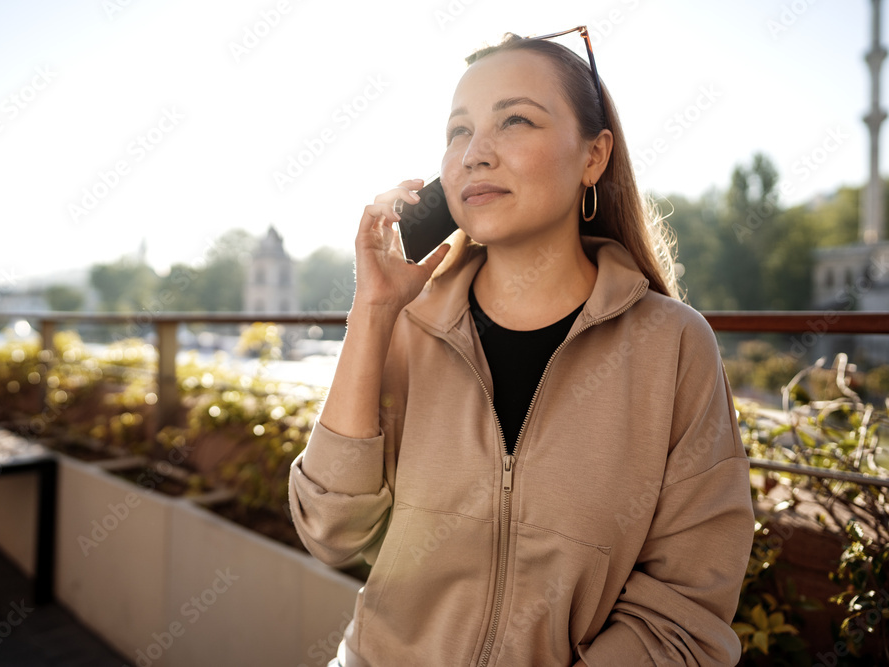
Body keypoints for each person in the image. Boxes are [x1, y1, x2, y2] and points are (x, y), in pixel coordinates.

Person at [289, 28, 755, 667]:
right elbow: (331, 531)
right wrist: (372, 311)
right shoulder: (405, 328)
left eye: (514, 121)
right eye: (458, 131)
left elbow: (685, 610)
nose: (475, 153)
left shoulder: (672, 345)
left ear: (594, 157)